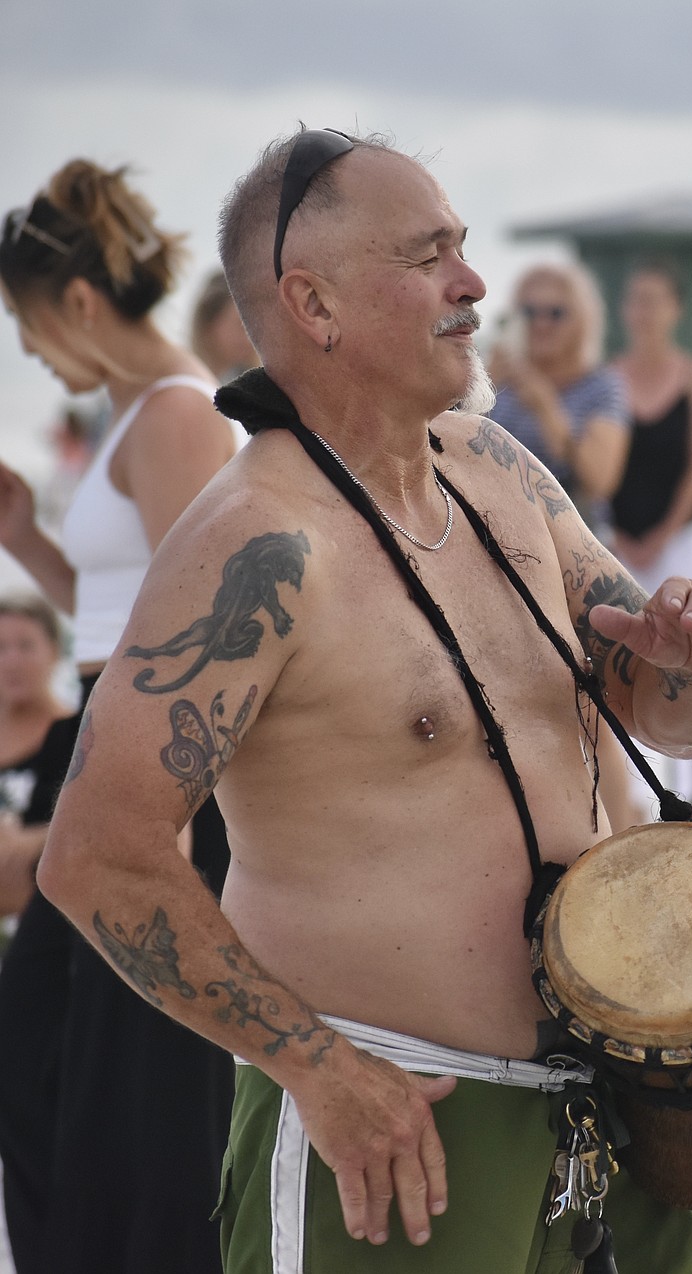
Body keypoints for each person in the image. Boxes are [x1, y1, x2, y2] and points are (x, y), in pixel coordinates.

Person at [37, 128, 692, 1274]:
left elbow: (669, 714)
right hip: (401, 1126)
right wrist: (316, 1066)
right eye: (428, 257)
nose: (472, 283)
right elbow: (95, 856)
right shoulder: (257, 542)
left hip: (614, 1096)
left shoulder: (500, 472)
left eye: (461, 247)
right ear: (313, 304)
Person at [0, 158, 241, 1274]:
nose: (27, 348)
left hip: (152, 757)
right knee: (59, 1049)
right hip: (116, 734)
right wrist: (26, 539)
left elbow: (205, 630)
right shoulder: (139, 411)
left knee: (133, 1073)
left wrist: (167, 808)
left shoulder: (176, 414)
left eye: (27, 322)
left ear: (81, 302)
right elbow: (124, 614)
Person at [610, 259, 692, 596]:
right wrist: (618, 537)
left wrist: (662, 538)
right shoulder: (606, 378)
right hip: (613, 542)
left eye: (655, 301)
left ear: (676, 309)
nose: (645, 312)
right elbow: (596, 468)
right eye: (637, 300)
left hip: (680, 542)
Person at [487, 262, 630, 516]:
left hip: (571, 527)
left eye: (556, 313)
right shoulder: (499, 378)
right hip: (498, 520)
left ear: (582, 320)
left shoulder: (602, 386)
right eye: (529, 312)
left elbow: (601, 481)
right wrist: (482, 388)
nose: (541, 324)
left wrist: (547, 409)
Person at [0, 594, 71, 923]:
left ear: (54, 652)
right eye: (1, 648)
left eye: (26, 646)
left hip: (51, 914)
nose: (12, 662)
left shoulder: (79, 737)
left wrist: (36, 839)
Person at [190, 267, 259, 382]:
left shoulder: (257, 384)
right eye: (242, 325)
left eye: (257, 327)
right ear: (209, 323)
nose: (250, 339)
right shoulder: (186, 380)